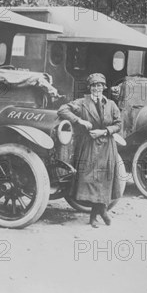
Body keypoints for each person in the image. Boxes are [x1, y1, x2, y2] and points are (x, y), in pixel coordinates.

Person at [57, 73, 123, 227]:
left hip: (107, 146)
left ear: (104, 88)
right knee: (90, 180)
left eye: (99, 85)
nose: (97, 88)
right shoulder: (82, 103)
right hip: (89, 147)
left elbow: (119, 124)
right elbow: (62, 110)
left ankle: (95, 216)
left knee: (104, 180)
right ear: (90, 87)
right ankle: (102, 212)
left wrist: (105, 131)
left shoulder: (111, 105)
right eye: (94, 85)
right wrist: (79, 120)